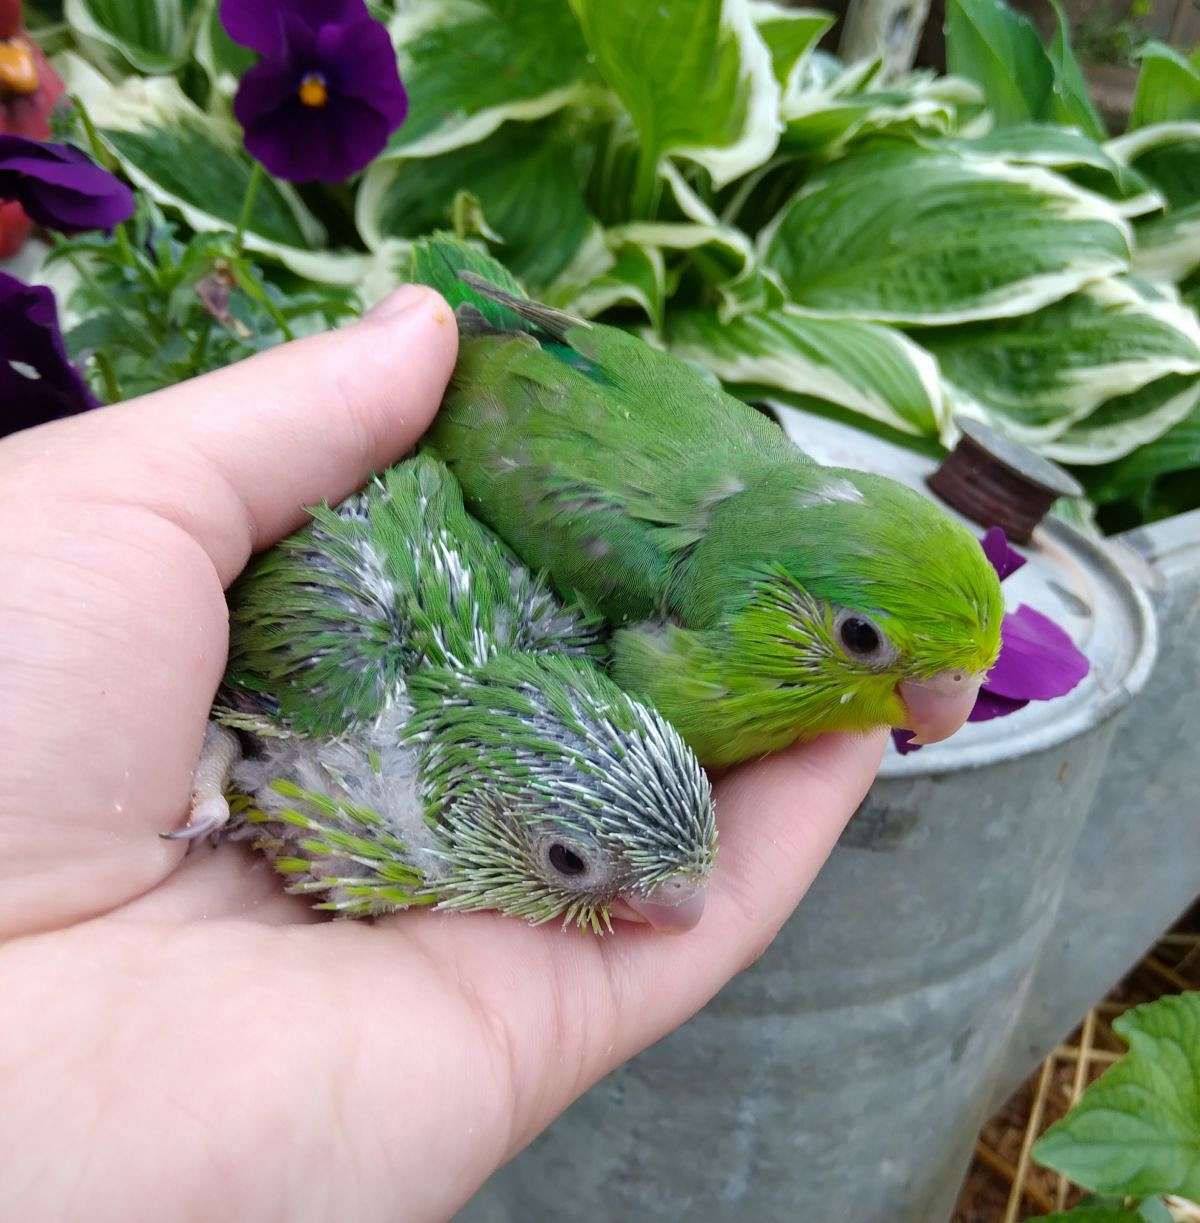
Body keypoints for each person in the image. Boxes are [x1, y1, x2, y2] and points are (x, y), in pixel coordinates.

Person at [0, 285, 883, 1221]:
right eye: (569, 861)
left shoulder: (570, 642)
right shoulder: (344, 673)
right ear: (471, 814)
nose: (664, 917)